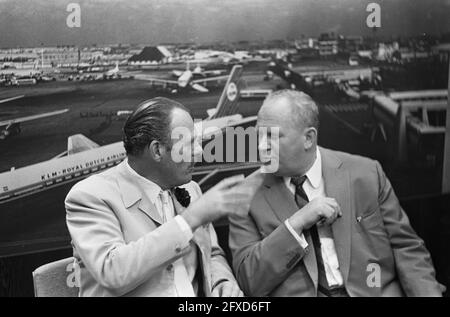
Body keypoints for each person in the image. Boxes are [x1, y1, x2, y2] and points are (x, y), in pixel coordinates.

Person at [229, 89, 444, 297]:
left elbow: (406, 248)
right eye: (258, 136)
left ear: (308, 139)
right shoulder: (245, 197)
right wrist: (296, 224)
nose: (261, 146)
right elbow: (250, 282)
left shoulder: (366, 174)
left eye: (272, 137)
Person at [65, 97, 250, 297]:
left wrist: (222, 282)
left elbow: (212, 253)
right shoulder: (90, 196)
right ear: (157, 150)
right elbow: (112, 272)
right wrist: (189, 220)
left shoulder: (192, 189)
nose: (199, 150)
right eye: (189, 143)